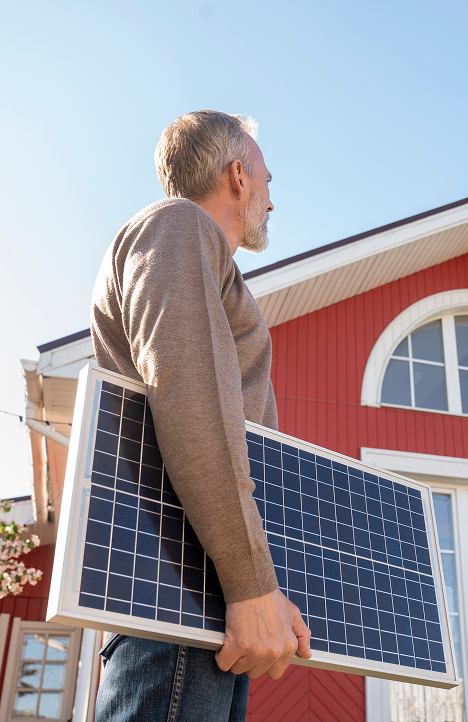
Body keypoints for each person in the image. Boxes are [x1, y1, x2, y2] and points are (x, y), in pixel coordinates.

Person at [91, 110, 311, 722]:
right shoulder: (180, 225)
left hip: (209, 601)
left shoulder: (206, 255)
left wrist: (260, 584)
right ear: (238, 175)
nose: (273, 196)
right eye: (268, 177)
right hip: (179, 593)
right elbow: (192, 397)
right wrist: (250, 582)